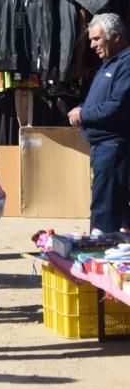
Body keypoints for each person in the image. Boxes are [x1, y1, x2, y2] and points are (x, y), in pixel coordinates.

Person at [68, 12, 130, 233]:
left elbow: (117, 106)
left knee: (105, 209)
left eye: (97, 39)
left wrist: (83, 114)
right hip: (101, 147)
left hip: (113, 147)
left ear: (115, 37)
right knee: (115, 209)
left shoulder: (126, 63)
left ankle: (99, 254)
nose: (92, 45)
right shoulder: (108, 64)